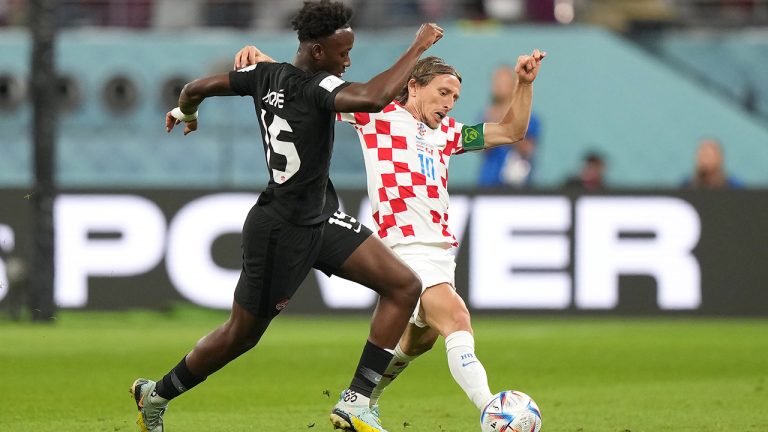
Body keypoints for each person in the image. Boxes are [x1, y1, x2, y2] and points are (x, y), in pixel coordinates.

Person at [131, 2, 445, 432]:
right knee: (241, 335)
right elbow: (373, 97)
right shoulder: (317, 87)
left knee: (403, 285)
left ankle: (356, 402)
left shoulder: (266, 75)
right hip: (281, 230)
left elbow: (195, 85)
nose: (347, 60)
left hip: (319, 218)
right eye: (342, 53)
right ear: (317, 52)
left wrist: (186, 110)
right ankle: (157, 394)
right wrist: (417, 47)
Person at [234, 43, 545, 426]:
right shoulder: (375, 114)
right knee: (457, 317)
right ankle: (492, 411)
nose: (449, 103)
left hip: (439, 252)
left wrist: (524, 83)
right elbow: (313, 87)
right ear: (413, 86)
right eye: (443, 93)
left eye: (455, 97)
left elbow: (512, 130)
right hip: (406, 246)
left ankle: (360, 399)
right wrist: (267, 63)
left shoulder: (448, 133)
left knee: (421, 339)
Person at [477, 64, 541, 188]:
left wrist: (507, 129)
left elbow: (528, 149)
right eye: (496, 82)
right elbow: (480, 148)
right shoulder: (486, 115)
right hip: (488, 184)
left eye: (503, 82)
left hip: (518, 186)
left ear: (513, 85)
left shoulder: (529, 118)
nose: (498, 86)